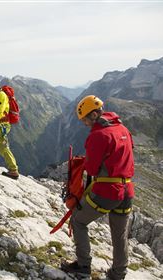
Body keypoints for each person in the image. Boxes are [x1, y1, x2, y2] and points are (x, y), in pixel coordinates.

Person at [60, 95, 134, 280]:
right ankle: (118, 274)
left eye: (85, 119)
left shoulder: (98, 135)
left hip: (107, 192)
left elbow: (92, 169)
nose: (85, 124)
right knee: (119, 234)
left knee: (78, 221)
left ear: (94, 114)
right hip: (127, 191)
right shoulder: (123, 128)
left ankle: (83, 267)